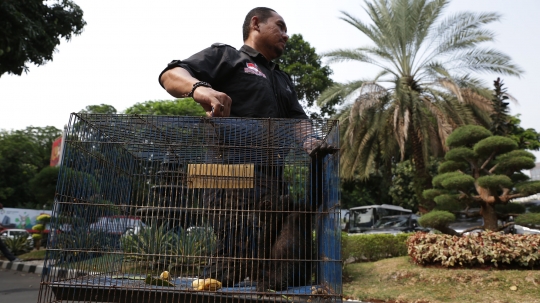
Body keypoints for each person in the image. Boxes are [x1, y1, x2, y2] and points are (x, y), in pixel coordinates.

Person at [159, 7, 332, 287]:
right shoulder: (229, 57)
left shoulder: (282, 79)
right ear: (256, 24)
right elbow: (171, 74)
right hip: (227, 176)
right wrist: (200, 89)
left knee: (281, 264)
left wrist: (310, 141)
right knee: (236, 255)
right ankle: (215, 276)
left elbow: (298, 119)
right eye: (280, 26)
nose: (286, 35)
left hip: (270, 181)